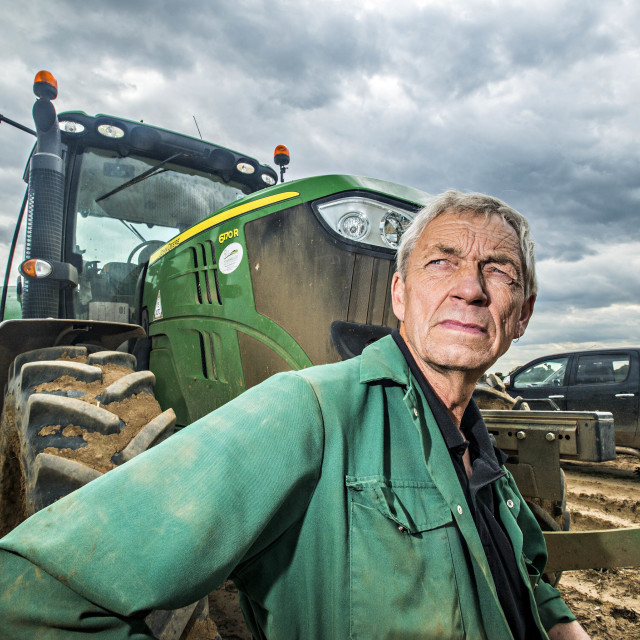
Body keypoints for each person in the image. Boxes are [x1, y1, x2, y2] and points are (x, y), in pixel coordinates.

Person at [0, 190, 589, 639]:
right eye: (441, 263)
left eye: (499, 272)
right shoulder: (306, 413)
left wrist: (560, 623)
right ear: (400, 295)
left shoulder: (480, 453)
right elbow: (35, 591)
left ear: (522, 315)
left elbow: (524, 567)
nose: (470, 289)